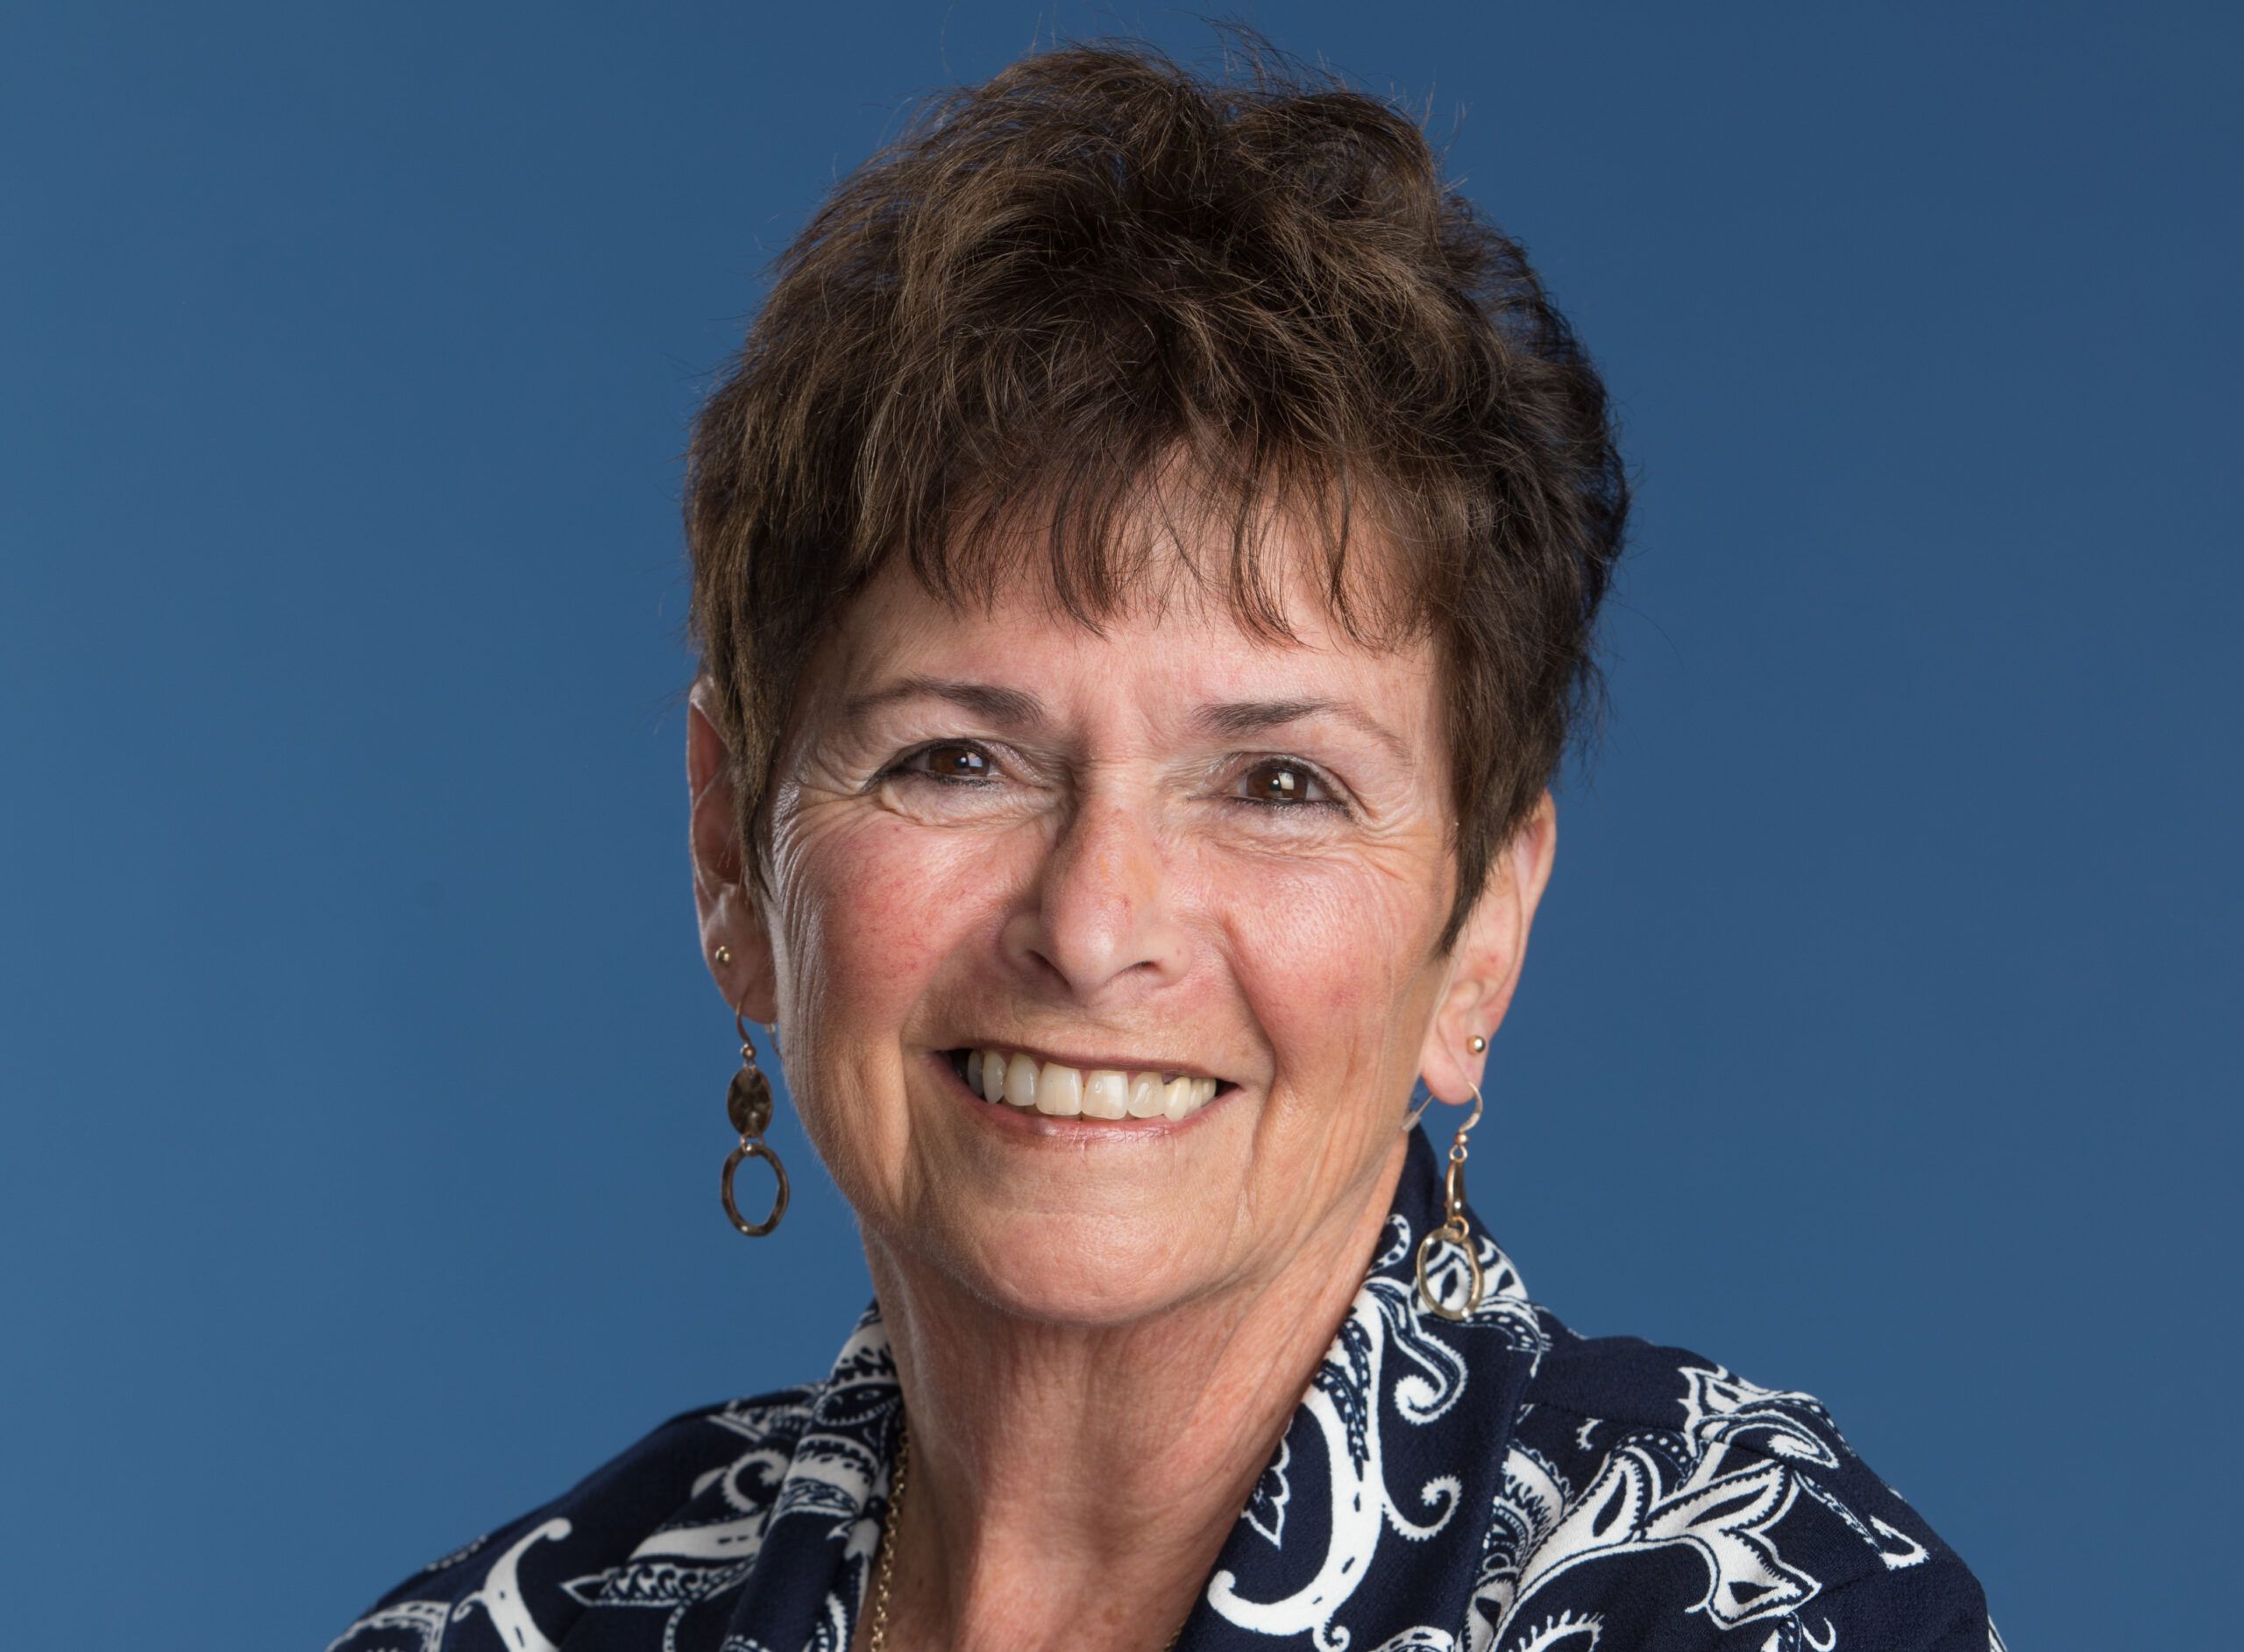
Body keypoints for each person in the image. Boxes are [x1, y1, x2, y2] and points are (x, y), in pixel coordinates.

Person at [333, 39, 1998, 1652]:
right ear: (729, 853)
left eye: (1278, 783)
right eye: (957, 759)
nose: (1093, 923)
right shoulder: (511, 1627)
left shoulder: (1760, 1605)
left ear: (1483, 923)